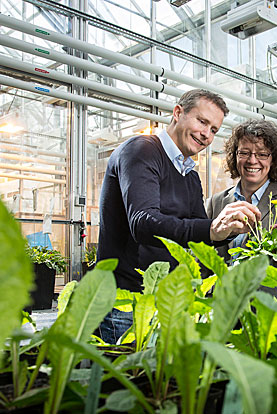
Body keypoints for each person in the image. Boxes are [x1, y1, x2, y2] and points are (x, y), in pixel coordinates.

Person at [97, 89, 260, 343]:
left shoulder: (190, 175)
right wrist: (211, 229)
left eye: (214, 129)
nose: (206, 134)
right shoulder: (141, 151)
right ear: (177, 113)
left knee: (162, 381)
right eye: (202, 121)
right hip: (126, 302)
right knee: (126, 379)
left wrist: (229, 230)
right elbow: (142, 222)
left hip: (166, 302)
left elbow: (197, 233)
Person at [206, 119, 277, 304]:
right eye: (244, 153)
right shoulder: (216, 202)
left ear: (274, 159)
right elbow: (200, 254)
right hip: (220, 308)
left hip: (267, 308)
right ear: (234, 156)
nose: (252, 160)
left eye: (262, 154)